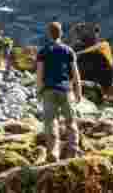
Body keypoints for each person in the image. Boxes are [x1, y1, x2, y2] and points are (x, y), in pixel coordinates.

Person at [35, 21, 82, 161]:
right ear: (61, 33)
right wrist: (78, 91)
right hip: (66, 90)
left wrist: (38, 92)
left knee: (50, 122)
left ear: (49, 34)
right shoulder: (68, 50)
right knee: (71, 122)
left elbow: (39, 74)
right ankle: (72, 152)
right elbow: (75, 74)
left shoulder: (43, 51)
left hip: (48, 90)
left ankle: (53, 152)